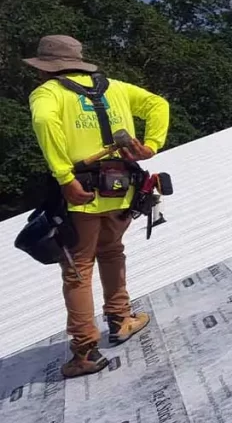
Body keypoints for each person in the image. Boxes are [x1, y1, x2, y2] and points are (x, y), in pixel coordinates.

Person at [23, 35, 170, 378]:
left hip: (83, 194)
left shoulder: (48, 93)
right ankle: (120, 320)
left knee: (78, 269)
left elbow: (45, 123)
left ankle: (85, 351)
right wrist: (150, 145)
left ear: (45, 67)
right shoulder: (114, 87)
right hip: (122, 189)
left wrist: (64, 176)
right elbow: (158, 104)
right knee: (112, 250)